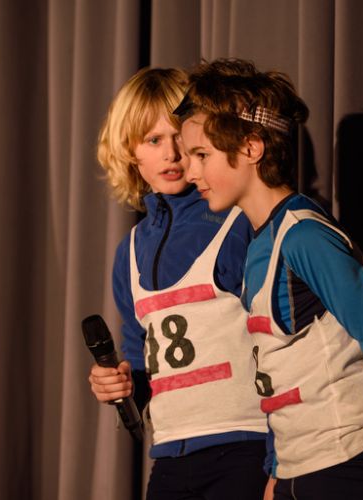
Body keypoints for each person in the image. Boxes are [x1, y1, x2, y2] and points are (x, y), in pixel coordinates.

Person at [177, 58, 363, 500]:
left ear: (252, 148)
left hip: (351, 458)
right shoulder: (259, 243)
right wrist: (277, 468)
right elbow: (277, 367)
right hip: (300, 467)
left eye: (202, 155)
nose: (190, 172)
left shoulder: (305, 235)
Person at [87, 66, 268, 500]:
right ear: (130, 151)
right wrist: (121, 385)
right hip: (171, 452)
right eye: (153, 140)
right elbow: (142, 360)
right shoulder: (130, 250)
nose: (170, 154)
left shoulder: (237, 222)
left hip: (246, 443)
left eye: (179, 137)